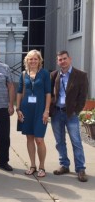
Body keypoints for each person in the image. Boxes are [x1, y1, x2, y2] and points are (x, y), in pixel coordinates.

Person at [50, 50, 89, 182]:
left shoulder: (81, 75)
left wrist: (76, 111)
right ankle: (64, 165)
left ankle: (80, 169)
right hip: (57, 113)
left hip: (71, 114)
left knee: (76, 142)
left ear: (70, 59)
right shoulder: (54, 75)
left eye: (64, 59)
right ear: (57, 62)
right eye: (60, 59)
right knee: (59, 141)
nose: (63, 61)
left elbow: (83, 97)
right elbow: (50, 94)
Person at [16, 50, 51, 178]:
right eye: (30, 59)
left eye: (35, 59)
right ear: (27, 61)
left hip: (40, 110)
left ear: (39, 60)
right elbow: (19, 92)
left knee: (39, 139)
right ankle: (32, 165)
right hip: (26, 110)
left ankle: (42, 166)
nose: (33, 61)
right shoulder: (23, 74)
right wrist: (18, 109)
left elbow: (48, 93)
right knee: (29, 138)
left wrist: (47, 110)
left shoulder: (45, 74)